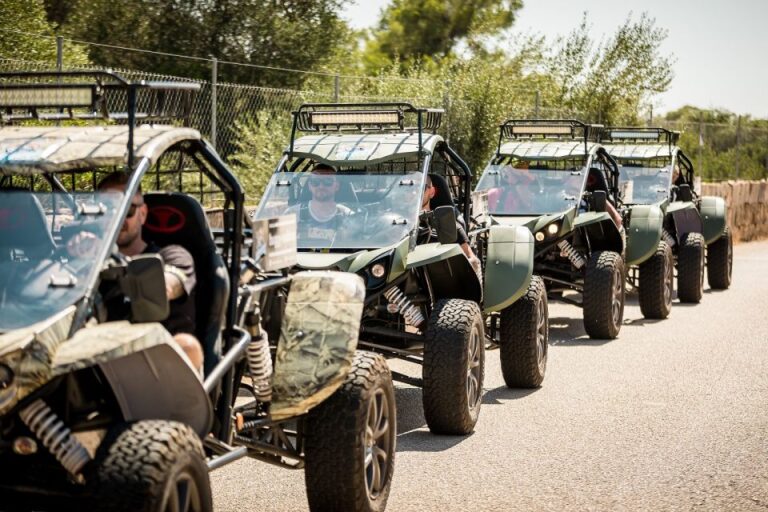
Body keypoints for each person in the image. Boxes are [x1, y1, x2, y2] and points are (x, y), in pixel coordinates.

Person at [95, 172, 203, 372]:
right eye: (108, 209)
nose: (117, 218)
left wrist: (162, 285)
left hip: (156, 368)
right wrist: (79, 261)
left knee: (187, 345)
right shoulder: (88, 262)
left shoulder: (172, 256)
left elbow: (169, 283)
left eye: (127, 209)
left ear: (143, 214)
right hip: (100, 361)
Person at [421, 175, 482, 274]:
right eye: (409, 189)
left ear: (432, 192)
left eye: (421, 188)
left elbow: (473, 260)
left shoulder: (448, 225)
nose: (414, 193)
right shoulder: (398, 226)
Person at [284, 163, 353, 244]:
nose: (321, 186)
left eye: (327, 181)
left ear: (337, 186)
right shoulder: (292, 215)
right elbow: (280, 248)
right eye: (315, 182)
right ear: (309, 186)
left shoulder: (348, 216)